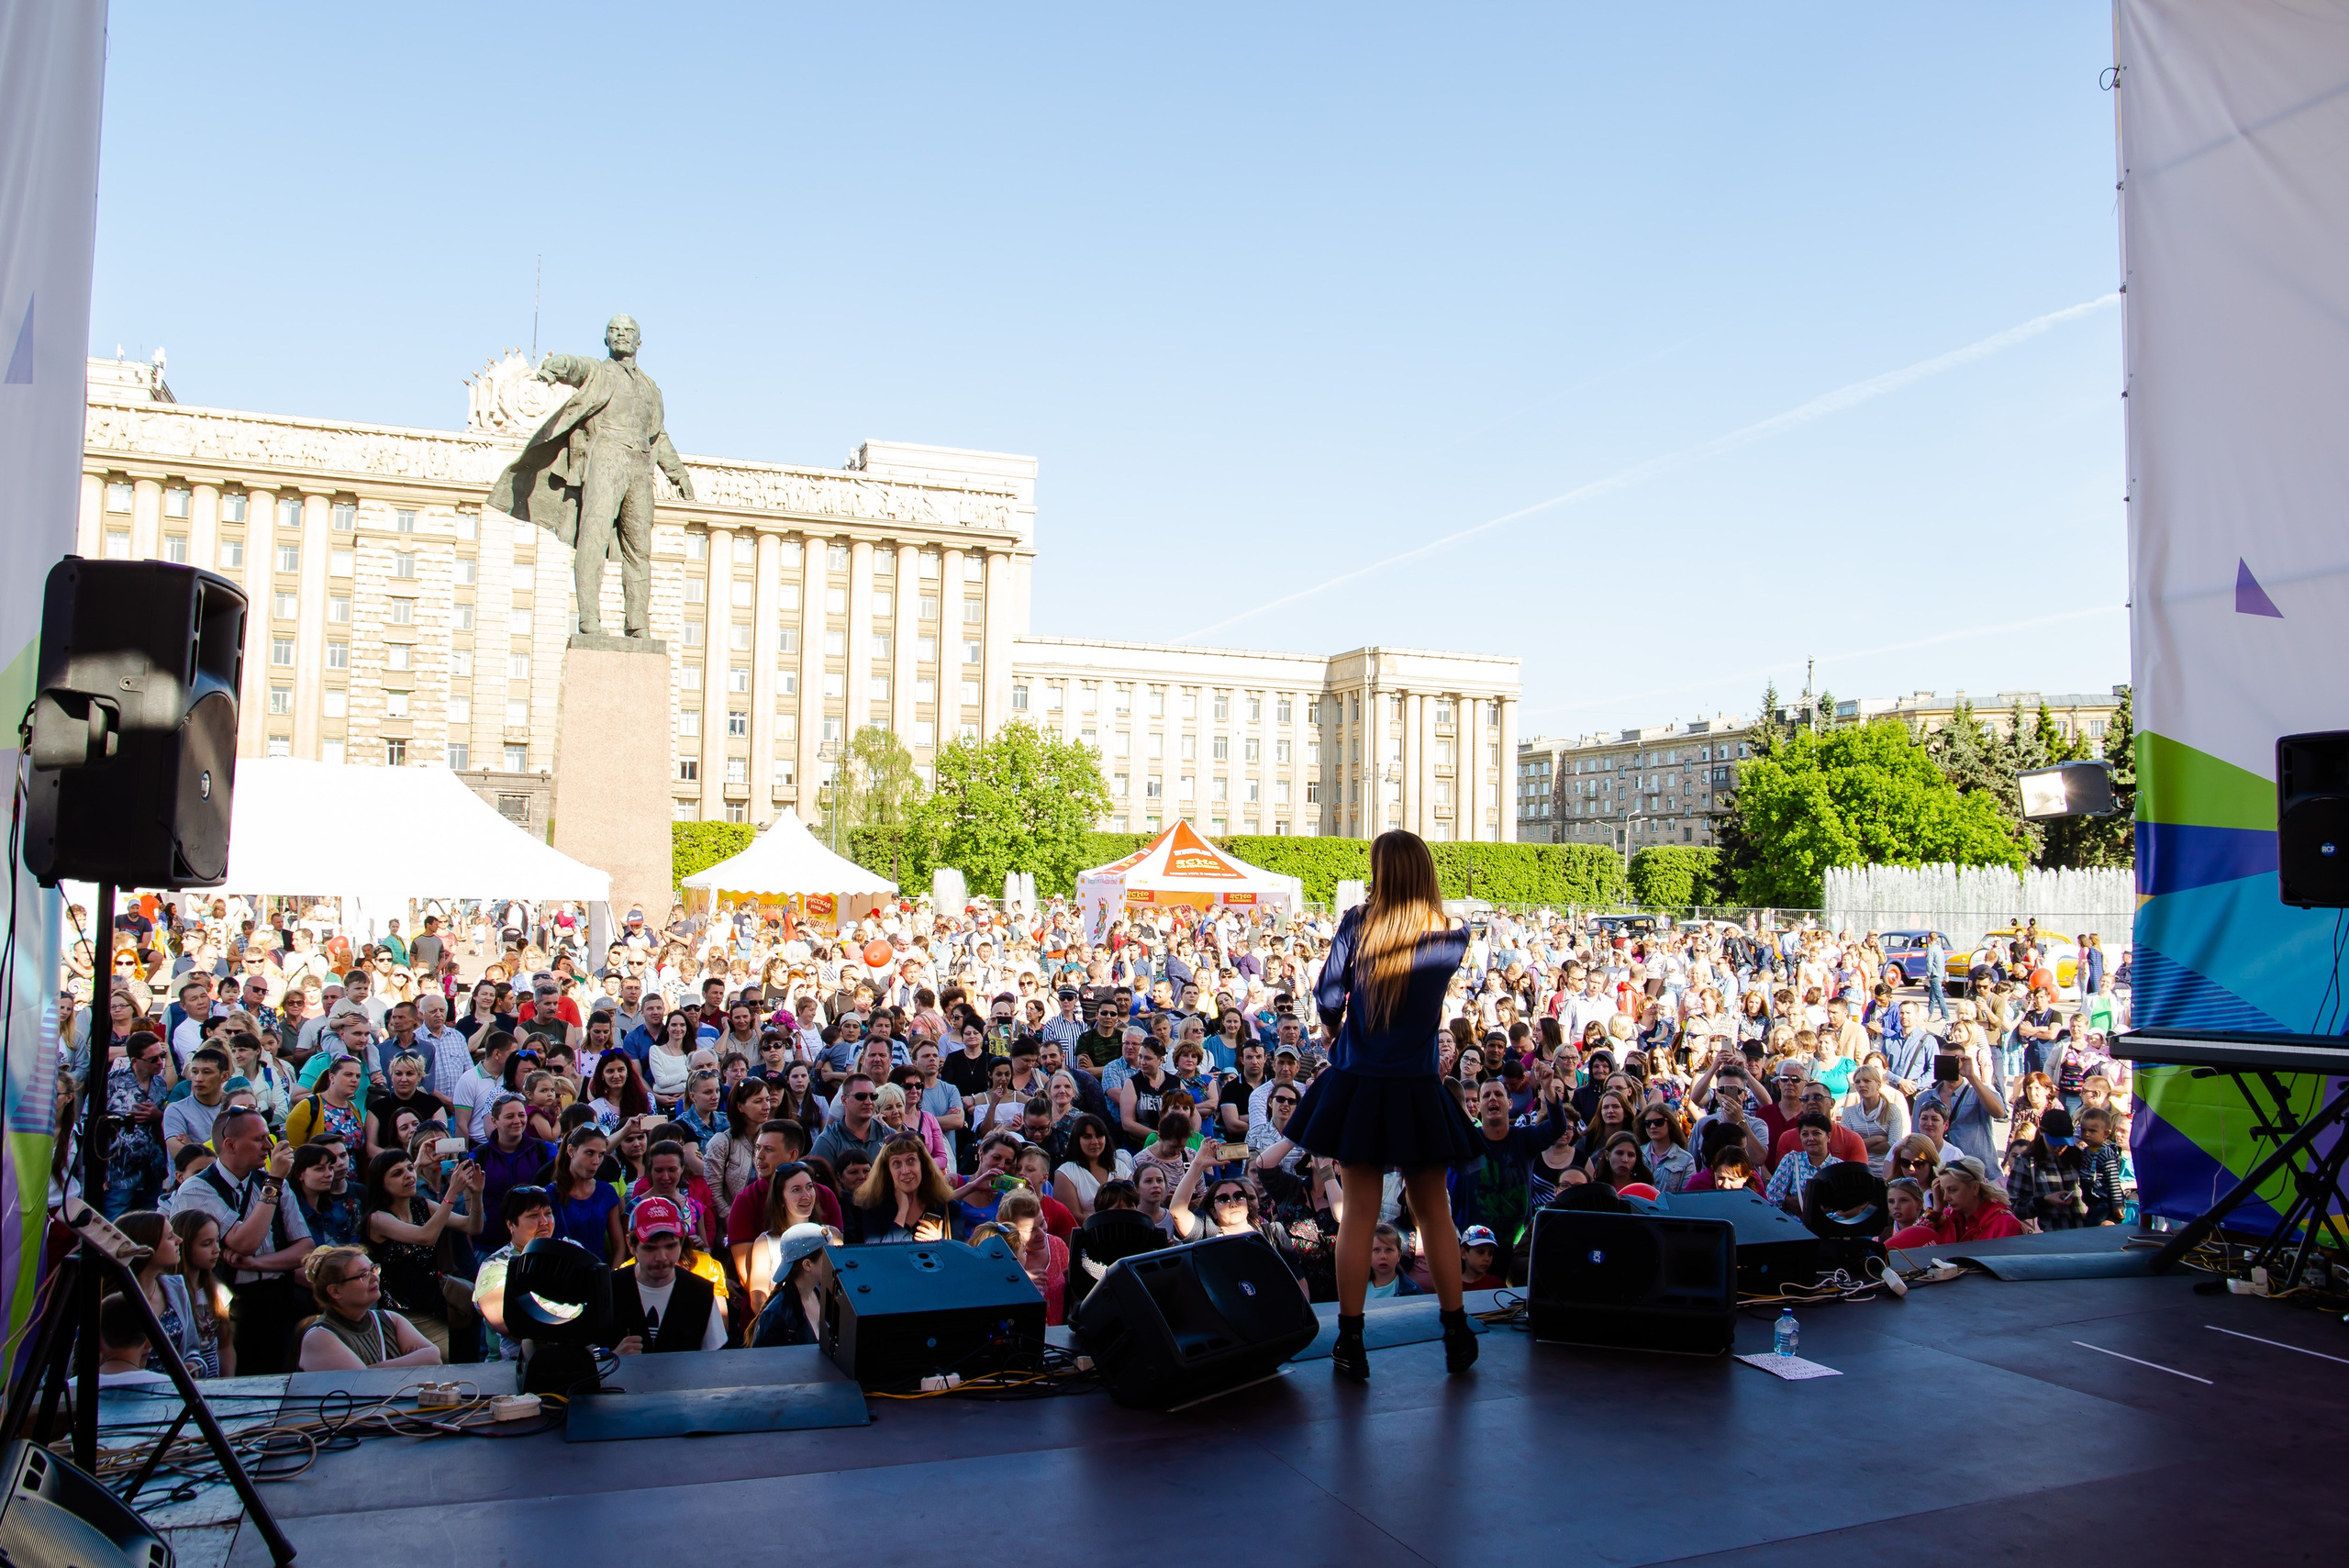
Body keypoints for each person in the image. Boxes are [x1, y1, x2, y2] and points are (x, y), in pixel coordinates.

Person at [1285, 830, 1477, 1381]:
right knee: (1434, 1212)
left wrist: (1334, 1028)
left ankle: (1349, 1339)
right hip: (1416, 1087)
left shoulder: (1356, 924)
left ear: (1381, 870)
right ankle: (1457, 1329)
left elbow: (1327, 995)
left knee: (1359, 1218)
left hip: (1360, 1085)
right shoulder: (1452, 937)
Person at [169, 1107, 312, 1374]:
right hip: (228, 1305)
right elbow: (245, 1240)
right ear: (230, 1144)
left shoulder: (270, 1181)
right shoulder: (198, 1188)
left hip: (277, 1299)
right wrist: (274, 1182)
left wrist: (257, 1264)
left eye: (268, 1137)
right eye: (258, 1139)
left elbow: (305, 1248)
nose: (268, 1145)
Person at [362, 1147, 484, 1360]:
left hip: (434, 1305)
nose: (408, 1176)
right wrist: (452, 1193)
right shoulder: (378, 1219)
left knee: (447, 1369)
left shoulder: (422, 1205)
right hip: (400, 1314)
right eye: (397, 1173)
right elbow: (426, 1237)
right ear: (381, 1183)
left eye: (409, 1169)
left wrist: (475, 1194)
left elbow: (473, 1227)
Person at [611, 1196, 729, 1353]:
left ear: (681, 1243)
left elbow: (716, 1362)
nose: (662, 1257)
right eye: (650, 1248)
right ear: (631, 1246)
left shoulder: (701, 1292)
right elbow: (585, 1353)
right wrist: (612, 1358)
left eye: (670, 1246)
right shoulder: (611, 1288)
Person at [297, 1245, 442, 1371]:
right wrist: (411, 1361)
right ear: (335, 1291)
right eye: (363, 1275)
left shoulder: (391, 1319)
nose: (375, 1278)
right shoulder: (320, 1337)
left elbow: (434, 1356)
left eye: (373, 1269)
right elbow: (363, 1382)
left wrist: (373, 1369)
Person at [116, 1211, 218, 1377]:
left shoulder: (176, 1287)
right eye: (170, 1237)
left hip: (174, 1395)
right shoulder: (110, 1299)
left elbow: (193, 1350)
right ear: (146, 1245)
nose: (179, 1240)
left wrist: (193, 1366)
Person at [471, 1185, 562, 1364]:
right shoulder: (495, 1267)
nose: (544, 1221)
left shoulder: (569, 1251)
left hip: (567, 1360)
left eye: (548, 1213)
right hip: (510, 1369)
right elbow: (506, 1322)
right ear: (511, 1224)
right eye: (533, 1216)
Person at [1887, 1155, 2027, 1249]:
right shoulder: (1946, 1217)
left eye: (1952, 1190)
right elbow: (1915, 1242)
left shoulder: (2004, 1223)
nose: (1946, 1198)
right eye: (1943, 1190)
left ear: (1974, 1188)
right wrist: (1936, 1211)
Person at [848, 1133, 957, 1243]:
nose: (905, 1171)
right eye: (896, 1163)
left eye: (911, 1161)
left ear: (922, 1165)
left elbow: (961, 1257)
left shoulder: (948, 1207)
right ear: (888, 1171)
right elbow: (878, 1255)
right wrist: (902, 1212)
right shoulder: (872, 1208)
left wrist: (940, 1243)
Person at [749, 1223, 835, 1348]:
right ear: (807, 1265)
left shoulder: (825, 1295)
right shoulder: (776, 1315)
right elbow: (764, 1364)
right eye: (828, 1256)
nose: (834, 1262)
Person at [549, 1125, 624, 1263]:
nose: (596, 1161)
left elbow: (619, 1246)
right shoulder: (549, 1195)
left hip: (598, 1275)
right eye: (589, 1153)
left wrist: (612, 1277)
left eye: (601, 1155)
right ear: (571, 1151)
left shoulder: (606, 1192)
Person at [2007, 1106, 2090, 1230]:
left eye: (2064, 1143)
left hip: (2088, 1232)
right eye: (2054, 1143)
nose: (2059, 1148)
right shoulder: (2026, 1162)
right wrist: (2044, 1201)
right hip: (2054, 1236)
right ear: (2041, 1132)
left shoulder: (2080, 1155)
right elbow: (2014, 1208)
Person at [996, 1187, 1069, 1326]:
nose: (1042, 1234)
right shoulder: (1001, 1257)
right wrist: (1018, 1283)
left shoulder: (1058, 1246)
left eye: (1042, 1223)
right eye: (1031, 1230)